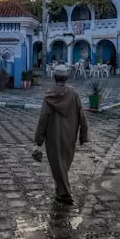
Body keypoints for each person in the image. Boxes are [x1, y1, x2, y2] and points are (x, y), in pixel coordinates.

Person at [34, 64, 88, 204]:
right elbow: (82, 115)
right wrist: (83, 135)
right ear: (66, 77)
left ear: (54, 77)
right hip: (70, 135)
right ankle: (61, 192)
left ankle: (64, 194)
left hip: (53, 137)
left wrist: (39, 140)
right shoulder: (73, 93)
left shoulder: (49, 95)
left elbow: (43, 118)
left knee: (58, 165)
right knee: (64, 164)